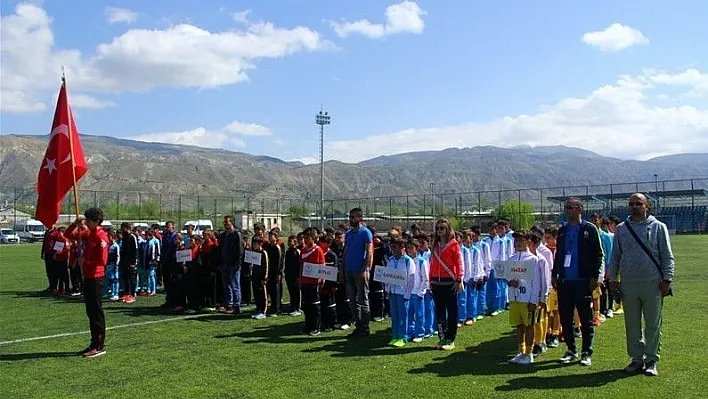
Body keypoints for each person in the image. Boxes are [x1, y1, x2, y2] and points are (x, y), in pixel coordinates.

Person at [609, 193, 675, 377]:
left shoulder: (659, 227)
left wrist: (667, 280)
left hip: (652, 283)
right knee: (631, 324)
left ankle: (651, 360)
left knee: (653, 324)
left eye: (639, 203)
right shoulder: (622, 229)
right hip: (629, 283)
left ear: (647, 206)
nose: (634, 206)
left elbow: (667, 256)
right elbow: (615, 256)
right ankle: (637, 359)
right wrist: (613, 279)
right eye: (631, 204)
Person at [552, 198, 604, 367]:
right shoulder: (563, 230)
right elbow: (559, 254)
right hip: (565, 281)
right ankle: (571, 350)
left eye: (570, 207)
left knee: (585, 319)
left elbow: (598, 254)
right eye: (565, 207)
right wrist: (555, 274)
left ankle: (586, 352)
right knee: (566, 319)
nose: (567, 210)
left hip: (583, 281)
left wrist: (595, 276)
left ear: (580, 209)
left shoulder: (589, 229)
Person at [65, 208, 110, 358]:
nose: (86, 222)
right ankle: (93, 343)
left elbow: (103, 260)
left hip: (96, 278)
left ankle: (100, 345)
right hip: (88, 277)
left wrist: (86, 261)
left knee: (96, 312)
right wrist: (74, 224)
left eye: (88, 220)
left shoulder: (100, 236)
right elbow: (68, 235)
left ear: (96, 221)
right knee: (90, 312)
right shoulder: (89, 234)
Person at [507, 230, 544, 365]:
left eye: (521, 240)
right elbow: (507, 276)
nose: (518, 243)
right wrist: (510, 281)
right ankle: (520, 351)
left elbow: (536, 282)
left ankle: (529, 353)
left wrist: (534, 300)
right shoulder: (511, 259)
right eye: (516, 241)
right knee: (519, 325)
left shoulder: (533, 259)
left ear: (527, 242)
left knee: (529, 325)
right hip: (514, 297)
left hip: (527, 298)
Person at [429, 218, 464, 351]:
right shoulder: (435, 245)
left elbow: (459, 263)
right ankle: (442, 337)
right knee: (439, 312)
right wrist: (430, 281)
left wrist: (459, 279)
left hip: (450, 282)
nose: (439, 231)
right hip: (436, 282)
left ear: (448, 229)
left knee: (452, 311)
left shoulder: (454, 245)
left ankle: (451, 338)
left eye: (442, 228)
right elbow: (432, 265)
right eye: (437, 228)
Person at [343, 207, 374, 339]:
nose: (351, 220)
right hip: (348, 271)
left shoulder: (365, 233)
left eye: (353, 217)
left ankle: (365, 328)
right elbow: (346, 251)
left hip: (360, 272)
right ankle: (358, 326)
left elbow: (369, 252)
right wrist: (342, 268)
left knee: (362, 300)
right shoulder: (349, 234)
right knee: (352, 301)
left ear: (360, 218)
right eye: (350, 217)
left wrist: (363, 270)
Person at [385, 237, 416, 347]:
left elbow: (411, 279)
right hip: (393, 293)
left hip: (403, 294)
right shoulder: (390, 260)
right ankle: (395, 336)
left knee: (403, 316)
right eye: (392, 247)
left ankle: (403, 337)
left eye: (395, 247)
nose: (393, 249)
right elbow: (387, 275)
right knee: (394, 316)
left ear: (402, 248)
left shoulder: (408, 261)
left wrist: (407, 294)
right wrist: (387, 290)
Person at [219, 216, 244, 314]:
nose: (225, 224)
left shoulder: (236, 234)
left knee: (235, 285)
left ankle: (237, 305)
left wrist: (238, 262)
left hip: (234, 264)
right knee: (226, 286)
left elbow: (240, 249)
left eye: (227, 222)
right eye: (224, 222)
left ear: (232, 223)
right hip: (224, 264)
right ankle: (229, 304)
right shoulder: (224, 235)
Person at [284, 235, 302, 316]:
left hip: (296, 275)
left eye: (290, 241)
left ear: (295, 242)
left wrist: (299, 276)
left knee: (296, 292)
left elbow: (299, 264)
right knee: (291, 291)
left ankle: (297, 308)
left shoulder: (297, 252)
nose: (289, 243)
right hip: (289, 275)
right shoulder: (288, 252)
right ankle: (292, 306)